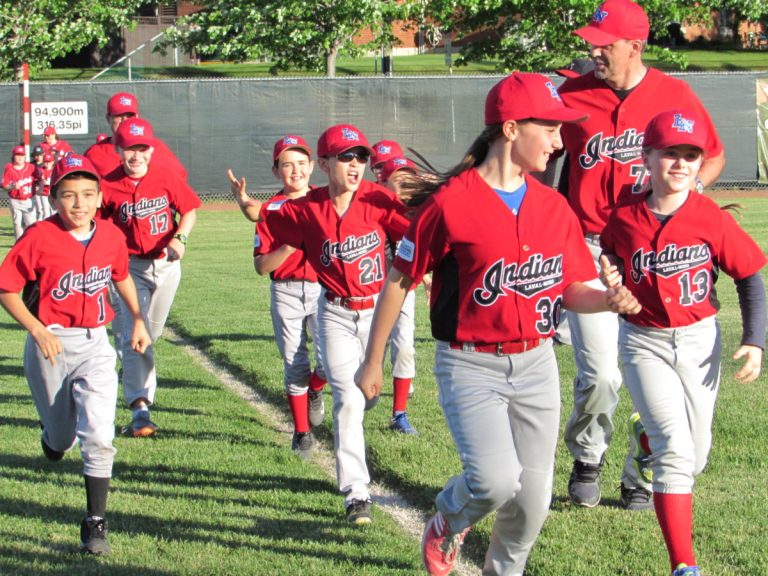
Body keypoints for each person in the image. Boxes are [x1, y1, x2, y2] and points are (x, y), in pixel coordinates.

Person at [356, 72, 642, 576]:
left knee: (532, 503)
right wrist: (373, 360)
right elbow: (400, 281)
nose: (560, 141)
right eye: (551, 128)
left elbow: (569, 289)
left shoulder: (554, 207)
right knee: (494, 480)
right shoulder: (450, 203)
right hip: (470, 365)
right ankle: (446, 518)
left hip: (537, 364)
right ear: (511, 129)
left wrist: (608, 300)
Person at [553, 0, 726, 510]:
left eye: (603, 43)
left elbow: (711, 157)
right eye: (592, 41)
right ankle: (588, 455)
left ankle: (642, 468)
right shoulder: (574, 93)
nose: (593, 50)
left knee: (665, 373)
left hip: (650, 252)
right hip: (587, 246)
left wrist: (681, 205)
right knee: (601, 371)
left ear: (635, 45)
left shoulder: (674, 95)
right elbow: (541, 153)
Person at [598, 109, 766, 576]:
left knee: (696, 456)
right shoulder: (626, 217)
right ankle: (683, 565)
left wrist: (755, 340)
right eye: (670, 152)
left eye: (690, 155)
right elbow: (609, 255)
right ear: (646, 157)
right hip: (644, 341)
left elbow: (750, 277)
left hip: (699, 342)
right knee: (676, 451)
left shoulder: (709, 218)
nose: (680, 163)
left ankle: (643, 439)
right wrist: (610, 275)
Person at [248, 124, 411, 524]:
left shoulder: (379, 199)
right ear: (323, 164)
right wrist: (248, 205)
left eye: (360, 157)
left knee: (367, 396)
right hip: (335, 314)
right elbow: (265, 217)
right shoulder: (306, 209)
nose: (355, 164)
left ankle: (352, 411)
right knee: (349, 401)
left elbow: (417, 236)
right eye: (345, 157)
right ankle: (357, 492)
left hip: (376, 313)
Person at [0, 154, 151, 555]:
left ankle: (95, 520)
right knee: (62, 438)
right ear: (54, 199)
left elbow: (120, 278)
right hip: (49, 342)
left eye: (87, 194)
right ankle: (52, 438)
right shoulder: (38, 236)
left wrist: (137, 318)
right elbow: (6, 288)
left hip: (95, 343)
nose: (79, 203)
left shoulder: (111, 236)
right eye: (68, 195)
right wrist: (34, 328)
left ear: (100, 197)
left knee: (99, 436)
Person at [99, 117, 201, 437]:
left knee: (150, 335)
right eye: (130, 148)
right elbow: (98, 227)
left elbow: (189, 210)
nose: (137, 155)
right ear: (118, 150)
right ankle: (140, 408)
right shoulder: (107, 184)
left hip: (167, 265)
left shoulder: (165, 177)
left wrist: (180, 238)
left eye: (143, 148)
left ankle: (140, 391)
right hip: (129, 268)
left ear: (151, 150)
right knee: (135, 336)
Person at [228, 134, 328, 459]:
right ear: (276, 172)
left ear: (313, 166)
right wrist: (289, 245)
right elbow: (261, 266)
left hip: (324, 288)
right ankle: (301, 432)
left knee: (332, 362)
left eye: (301, 163)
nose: (295, 170)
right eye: (287, 165)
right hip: (285, 290)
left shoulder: (326, 201)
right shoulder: (271, 210)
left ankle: (315, 390)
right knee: (295, 363)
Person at [377, 156, 423, 434]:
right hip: (368, 292)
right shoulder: (373, 209)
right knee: (365, 353)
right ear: (384, 183)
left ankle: (399, 414)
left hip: (404, 291)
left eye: (410, 181)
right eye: (399, 181)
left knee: (404, 347)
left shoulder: (418, 214)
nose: (406, 187)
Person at [84, 91, 188, 180]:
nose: (124, 120)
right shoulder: (94, 153)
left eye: (129, 116)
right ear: (108, 118)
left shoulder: (155, 146)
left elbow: (179, 177)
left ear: (137, 117)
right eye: (119, 116)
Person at [2, 145, 37, 239]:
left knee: (31, 225)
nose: (20, 157)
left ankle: (31, 243)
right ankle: (19, 245)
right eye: (17, 155)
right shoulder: (9, 169)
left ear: (25, 156)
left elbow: (40, 177)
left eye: (22, 155)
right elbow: (5, 185)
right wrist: (12, 186)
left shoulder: (31, 168)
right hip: (15, 201)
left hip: (28, 200)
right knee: (17, 225)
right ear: (13, 156)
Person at [34, 153, 56, 220]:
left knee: (53, 211)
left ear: (52, 162)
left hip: (53, 193)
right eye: (46, 162)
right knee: (45, 212)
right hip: (44, 193)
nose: (47, 164)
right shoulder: (40, 170)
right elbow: (37, 180)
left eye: (49, 162)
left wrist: (49, 182)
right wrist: (41, 180)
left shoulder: (54, 170)